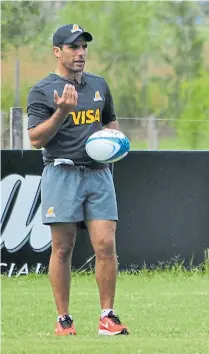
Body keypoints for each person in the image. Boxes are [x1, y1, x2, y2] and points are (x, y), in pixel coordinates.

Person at [26, 24, 129, 336]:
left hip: (98, 174)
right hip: (62, 173)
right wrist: (61, 113)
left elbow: (110, 122)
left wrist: (116, 141)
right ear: (57, 52)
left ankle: (107, 317)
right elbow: (35, 139)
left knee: (106, 244)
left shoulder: (98, 85)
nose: (81, 53)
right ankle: (63, 319)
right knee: (62, 248)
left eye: (84, 47)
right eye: (73, 47)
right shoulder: (42, 90)